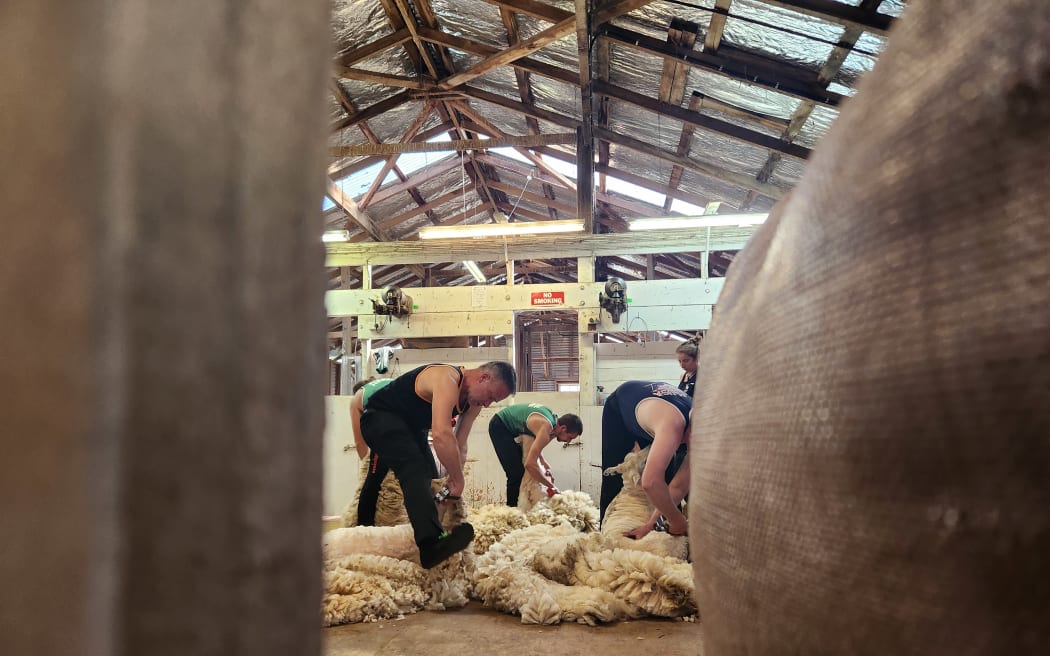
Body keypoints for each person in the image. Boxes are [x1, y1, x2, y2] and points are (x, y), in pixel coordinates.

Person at [360, 361, 516, 568]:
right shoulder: (447, 378)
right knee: (412, 469)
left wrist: (454, 478)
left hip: (411, 428)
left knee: (429, 476)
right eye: (490, 396)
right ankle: (429, 544)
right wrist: (458, 479)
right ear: (483, 377)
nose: (487, 404)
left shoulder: (473, 404)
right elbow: (442, 434)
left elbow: (460, 444)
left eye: (493, 401)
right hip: (379, 417)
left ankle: (430, 532)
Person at [598, 381, 692, 538]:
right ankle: (607, 533)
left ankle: (654, 526)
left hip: (656, 410)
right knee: (615, 473)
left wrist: (652, 524)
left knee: (666, 477)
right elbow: (651, 482)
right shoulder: (673, 425)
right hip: (621, 405)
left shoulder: (701, 432)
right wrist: (677, 521)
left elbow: (678, 487)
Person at [488, 404, 583, 506]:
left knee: (524, 472)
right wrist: (551, 486)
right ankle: (512, 512)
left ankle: (520, 508)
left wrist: (544, 464)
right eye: (569, 437)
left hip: (513, 427)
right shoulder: (546, 428)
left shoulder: (553, 425)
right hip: (500, 425)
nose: (568, 441)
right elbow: (530, 464)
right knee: (516, 473)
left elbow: (537, 449)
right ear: (563, 428)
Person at [349, 377, 394, 525]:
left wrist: (366, 467)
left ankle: (363, 527)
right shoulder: (388, 382)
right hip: (414, 428)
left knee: (371, 483)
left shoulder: (358, 397)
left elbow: (359, 441)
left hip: (389, 432)